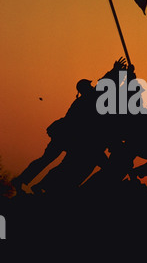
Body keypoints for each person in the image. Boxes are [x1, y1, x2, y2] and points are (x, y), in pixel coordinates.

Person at [11, 58, 127, 195]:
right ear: (85, 89)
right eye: (89, 86)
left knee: (58, 161)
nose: (92, 87)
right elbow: (104, 85)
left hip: (70, 137)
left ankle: (35, 183)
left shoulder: (85, 100)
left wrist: (119, 72)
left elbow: (104, 86)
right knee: (54, 161)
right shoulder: (87, 100)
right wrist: (116, 71)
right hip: (67, 136)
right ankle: (30, 182)